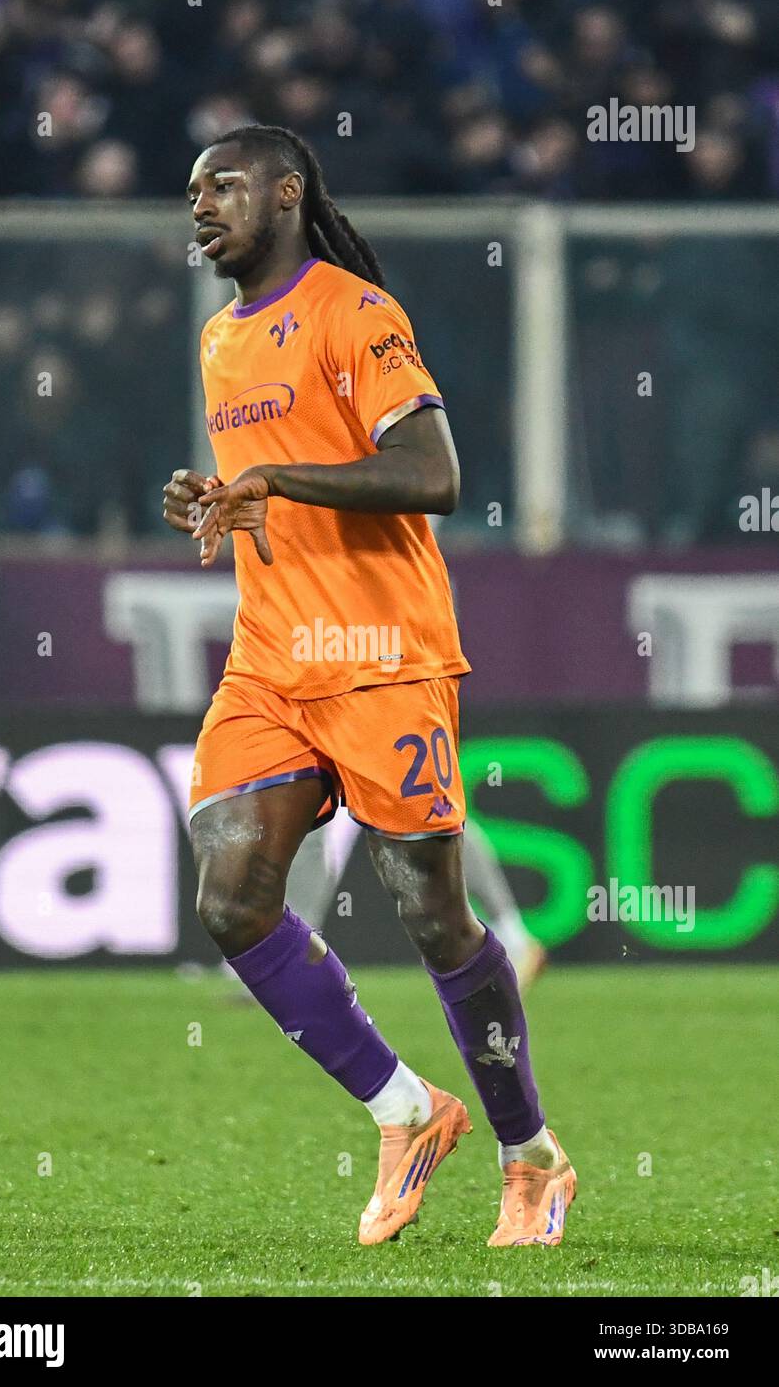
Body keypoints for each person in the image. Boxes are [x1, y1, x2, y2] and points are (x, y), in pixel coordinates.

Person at [162, 123, 575, 1247]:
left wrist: (274, 477)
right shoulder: (218, 341)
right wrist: (226, 499)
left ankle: (528, 1155)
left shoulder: (356, 314)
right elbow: (274, 486)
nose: (199, 208)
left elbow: (431, 475)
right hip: (272, 658)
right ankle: (405, 1110)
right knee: (231, 898)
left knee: (432, 917)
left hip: (382, 657)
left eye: (223, 187)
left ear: (286, 192)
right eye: (191, 193)